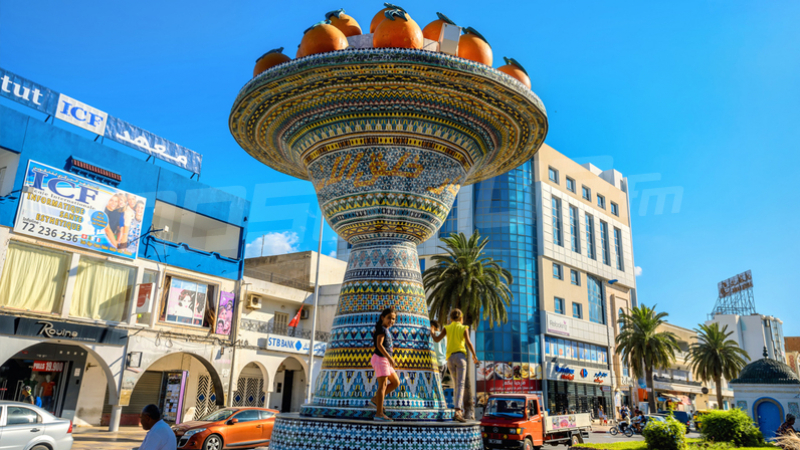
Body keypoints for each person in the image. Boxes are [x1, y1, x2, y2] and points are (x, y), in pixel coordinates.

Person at [432, 308, 479, 422]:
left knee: (456, 384)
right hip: (461, 358)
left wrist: (432, 331)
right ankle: (458, 410)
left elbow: (437, 339)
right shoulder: (464, 328)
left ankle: (457, 410)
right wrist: (474, 356)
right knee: (460, 384)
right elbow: (469, 343)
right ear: (461, 318)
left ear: (451, 318)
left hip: (450, 359)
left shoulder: (447, 328)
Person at [368, 307, 400, 422]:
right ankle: (379, 414)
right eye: (389, 318)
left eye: (393, 319)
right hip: (381, 359)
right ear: (382, 317)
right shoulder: (381, 329)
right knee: (383, 385)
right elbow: (379, 345)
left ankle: (376, 399)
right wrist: (390, 358)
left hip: (384, 360)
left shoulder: (386, 329)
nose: (391, 321)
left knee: (396, 382)